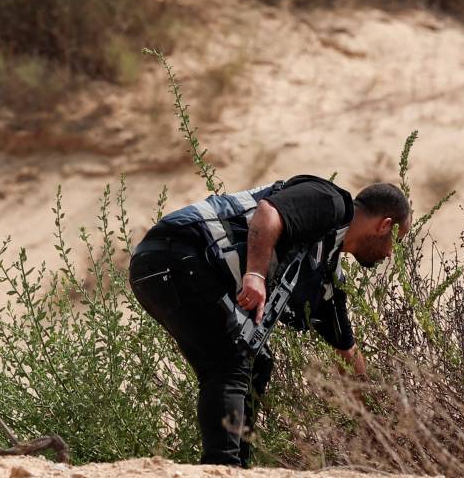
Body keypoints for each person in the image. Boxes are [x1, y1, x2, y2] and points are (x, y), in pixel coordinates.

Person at [129, 176, 411, 467]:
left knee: (256, 362)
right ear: (384, 225)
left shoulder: (325, 276)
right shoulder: (330, 201)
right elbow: (269, 213)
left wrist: (374, 424)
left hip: (168, 268)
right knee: (229, 361)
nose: (390, 254)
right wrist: (255, 274)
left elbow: (347, 352)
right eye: (395, 242)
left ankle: (238, 466)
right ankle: (221, 467)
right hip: (175, 252)